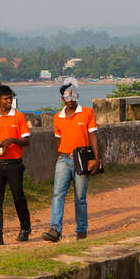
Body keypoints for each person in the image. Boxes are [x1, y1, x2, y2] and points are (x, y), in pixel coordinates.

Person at [43, 79, 101, 242]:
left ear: (77, 96)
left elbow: (93, 136)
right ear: (62, 99)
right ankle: (55, 229)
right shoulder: (58, 118)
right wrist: (57, 159)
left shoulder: (87, 113)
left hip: (81, 159)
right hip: (63, 158)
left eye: (73, 97)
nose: (71, 101)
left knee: (80, 197)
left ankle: (81, 229)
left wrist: (97, 159)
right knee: (57, 194)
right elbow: (58, 140)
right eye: (67, 98)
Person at [0, 85, 32, 245]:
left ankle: (25, 227)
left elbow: (26, 141)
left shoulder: (18, 117)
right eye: (5, 99)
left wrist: (12, 140)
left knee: (18, 197)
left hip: (14, 164)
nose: (9, 101)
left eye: (10, 98)